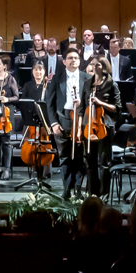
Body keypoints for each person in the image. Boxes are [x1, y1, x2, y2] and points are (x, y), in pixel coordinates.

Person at [76, 55, 119, 197]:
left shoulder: (111, 84)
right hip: (88, 126)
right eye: (93, 64)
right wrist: (79, 128)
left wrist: (100, 103)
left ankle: (104, 194)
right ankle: (92, 193)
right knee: (90, 161)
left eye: (98, 65)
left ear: (104, 67)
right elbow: (82, 107)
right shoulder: (88, 83)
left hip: (104, 126)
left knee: (104, 163)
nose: (94, 67)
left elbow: (117, 108)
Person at [49, 49, 89, 199]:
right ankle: (66, 189)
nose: (73, 60)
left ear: (79, 61)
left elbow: (91, 103)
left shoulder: (87, 78)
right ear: (64, 61)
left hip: (81, 119)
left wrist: (82, 103)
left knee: (80, 157)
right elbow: (50, 103)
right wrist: (53, 123)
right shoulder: (56, 78)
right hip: (63, 119)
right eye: (70, 58)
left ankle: (78, 190)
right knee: (65, 157)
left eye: (76, 58)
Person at [20, 61, 54, 185]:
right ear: (32, 72)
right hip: (31, 119)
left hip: (45, 120)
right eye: (36, 70)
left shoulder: (48, 86)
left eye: (40, 70)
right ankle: (33, 171)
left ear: (44, 72)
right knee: (30, 144)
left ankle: (45, 171)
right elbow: (23, 100)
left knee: (45, 144)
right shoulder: (28, 85)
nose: (38, 72)